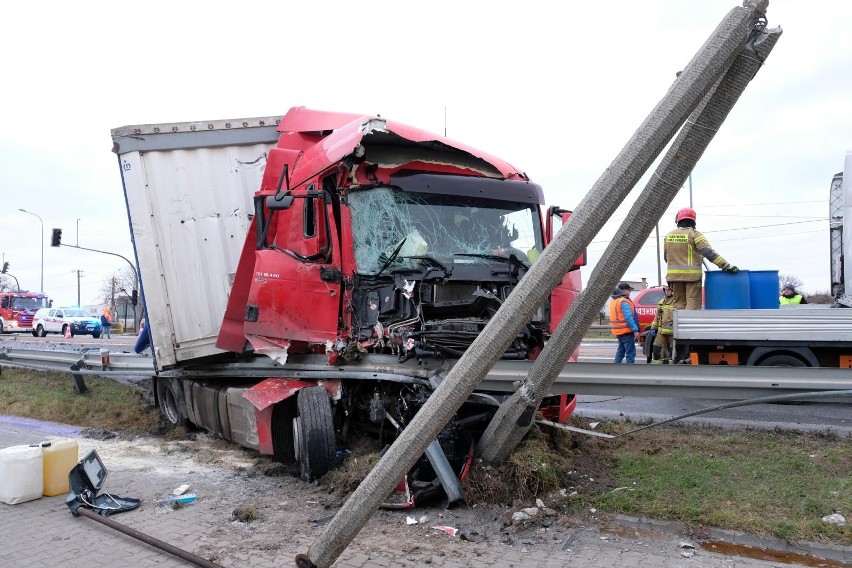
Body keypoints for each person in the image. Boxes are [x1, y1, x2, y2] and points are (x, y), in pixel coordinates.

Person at [664, 207, 739, 311]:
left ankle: (678, 327)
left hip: (674, 277)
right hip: (692, 277)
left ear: (679, 220)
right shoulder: (695, 234)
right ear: (693, 221)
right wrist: (726, 265)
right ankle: (689, 326)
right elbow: (708, 253)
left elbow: (666, 257)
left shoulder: (668, 236)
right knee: (693, 302)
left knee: (678, 304)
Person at [609, 281, 640, 364]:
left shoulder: (614, 301)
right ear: (624, 290)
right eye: (629, 290)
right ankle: (629, 372)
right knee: (630, 353)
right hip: (626, 331)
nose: (630, 292)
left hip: (618, 331)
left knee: (620, 352)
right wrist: (635, 330)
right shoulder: (624, 301)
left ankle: (615, 370)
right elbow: (628, 317)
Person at [650, 284, 676, 364]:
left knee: (673, 352)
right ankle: (656, 368)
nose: (667, 292)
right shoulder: (661, 302)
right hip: (661, 331)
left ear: (672, 291)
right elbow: (657, 316)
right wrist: (653, 327)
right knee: (656, 348)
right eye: (666, 290)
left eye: (669, 290)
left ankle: (672, 369)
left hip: (673, 332)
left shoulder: (676, 302)